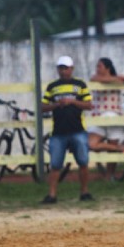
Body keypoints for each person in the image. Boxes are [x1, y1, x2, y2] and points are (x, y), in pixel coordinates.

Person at [40, 56, 94, 204]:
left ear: (71, 69)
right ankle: (52, 194)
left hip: (77, 129)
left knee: (83, 162)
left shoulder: (80, 85)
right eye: (61, 68)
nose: (63, 71)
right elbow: (42, 107)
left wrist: (72, 101)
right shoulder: (52, 86)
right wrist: (57, 105)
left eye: (66, 68)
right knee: (55, 164)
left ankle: (84, 192)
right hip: (58, 131)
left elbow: (89, 105)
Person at [87, 57, 124, 154]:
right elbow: (94, 78)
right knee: (91, 144)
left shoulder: (117, 80)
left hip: (114, 117)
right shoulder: (97, 78)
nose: (97, 69)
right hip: (98, 117)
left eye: (100, 66)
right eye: (97, 66)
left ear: (107, 68)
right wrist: (118, 79)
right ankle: (118, 148)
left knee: (112, 152)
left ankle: (115, 153)